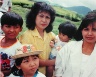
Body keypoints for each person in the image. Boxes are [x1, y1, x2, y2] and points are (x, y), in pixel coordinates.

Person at [19, 2, 56, 75]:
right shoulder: (27, 36)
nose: (44, 20)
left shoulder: (50, 34)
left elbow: (57, 42)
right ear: (34, 16)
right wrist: (53, 62)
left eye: (47, 17)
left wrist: (54, 44)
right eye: (41, 16)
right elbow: (29, 61)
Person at [54, 12, 96, 77]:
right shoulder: (69, 47)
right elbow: (59, 71)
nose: (89, 33)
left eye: (94, 30)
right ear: (81, 30)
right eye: (86, 29)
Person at [0, 12, 23, 77]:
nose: (12, 30)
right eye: (8, 26)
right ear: (1, 27)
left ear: (21, 29)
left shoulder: (19, 49)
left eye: (16, 27)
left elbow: (14, 69)